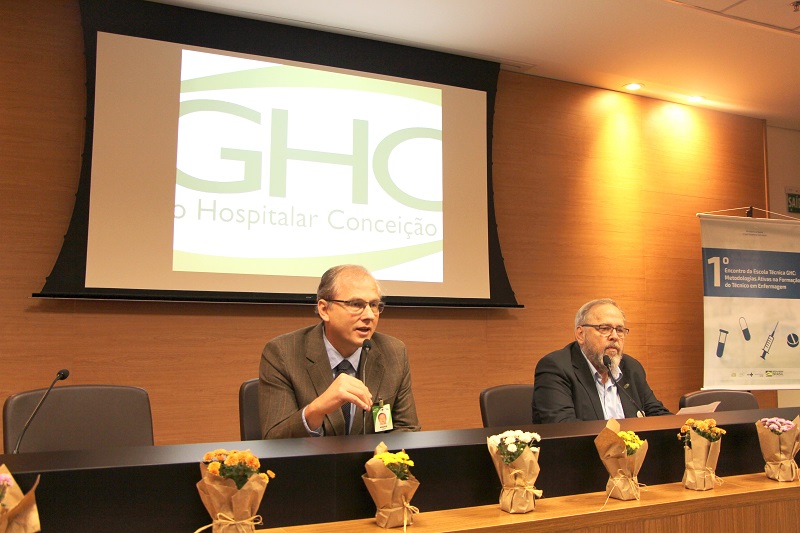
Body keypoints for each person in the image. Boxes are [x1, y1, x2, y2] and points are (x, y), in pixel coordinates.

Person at [259, 264, 420, 438]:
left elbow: (407, 430)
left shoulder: (393, 352)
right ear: (324, 309)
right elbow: (274, 438)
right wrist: (317, 409)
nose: (369, 315)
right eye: (356, 304)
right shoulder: (283, 353)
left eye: (374, 305)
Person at [532, 298, 671, 424]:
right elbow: (564, 427)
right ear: (581, 334)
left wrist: (681, 425)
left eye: (620, 330)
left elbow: (655, 413)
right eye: (605, 329)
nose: (615, 336)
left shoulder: (631, 367)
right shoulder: (556, 367)